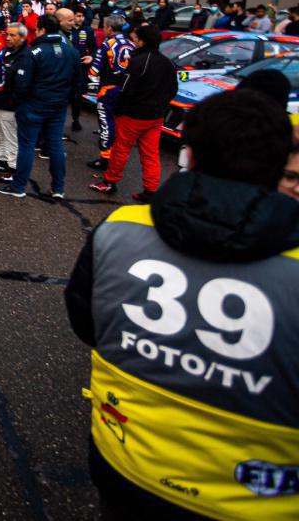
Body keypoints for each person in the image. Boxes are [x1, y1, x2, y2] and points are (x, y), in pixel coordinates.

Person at [65, 89, 299, 521]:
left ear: (190, 154)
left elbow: (86, 322)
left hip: (125, 461)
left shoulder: (120, 228)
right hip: (253, 499)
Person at [89, 25, 178, 198]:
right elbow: (172, 90)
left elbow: (126, 90)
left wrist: (119, 110)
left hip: (133, 115)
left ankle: (109, 182)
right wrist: (160, 106)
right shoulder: (168, 63)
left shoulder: (138, 62)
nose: (133, 41)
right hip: (156, 116)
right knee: (151, 154)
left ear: (142, 41)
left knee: (120, 150)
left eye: (136, 38)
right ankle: (151, 190)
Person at [0, 15, 79, 200]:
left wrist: (18, 102)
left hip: (33, 105)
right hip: (58, 106)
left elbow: (22, 84)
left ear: (41, 30)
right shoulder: (71, 51)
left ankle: (18, 186)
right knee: (55, 145)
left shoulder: (34, 52)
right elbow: (78, 82)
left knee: (26, 146)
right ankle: (58, 188)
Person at [90, 16, 135, 171]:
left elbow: (94, 71)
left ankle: (105, 158)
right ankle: (117, 156)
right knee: (119, 123)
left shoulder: (107, 44)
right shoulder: (131, 44)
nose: (103, 29)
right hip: (127, 90)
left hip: (108, 89)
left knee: (106, 123)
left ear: (109, 27)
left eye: (104, 26)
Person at [0, 23, 27, 175]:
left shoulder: (25, 56)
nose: (8, 38)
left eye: (12, 35)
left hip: (10, 105)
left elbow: (22, 84)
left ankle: (13, 168)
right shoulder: (3, 51)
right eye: (7, 34)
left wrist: (14, 102)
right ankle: (1, 161)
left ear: (22, 37)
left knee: (11, 137)